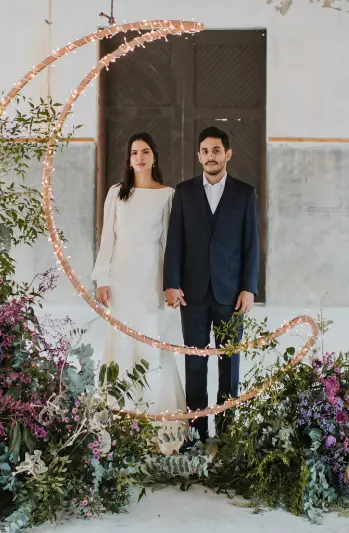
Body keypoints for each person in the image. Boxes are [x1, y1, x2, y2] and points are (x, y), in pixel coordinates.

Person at [163, 126, 260, 447]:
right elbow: (174, 241)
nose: (210, 156)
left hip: (231, 293)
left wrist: (249, 288)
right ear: (199, 156)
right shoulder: (185, 192)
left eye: (216, 150)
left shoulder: (245, 193)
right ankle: (197, 429)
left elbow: (252, 245)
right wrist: (171, 284)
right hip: (192, 293)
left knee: (229, 362)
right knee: (195, 360)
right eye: (205, 151)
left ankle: (228, 431)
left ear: (228, 154)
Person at [91, 132, 186, 449]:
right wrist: (102, 277)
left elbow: (169, 244)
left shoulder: (167, 195)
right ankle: (119, 422)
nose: (140, 157)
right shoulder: (117, 193)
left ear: (154, 156)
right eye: (134, 152)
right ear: (128, 159)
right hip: (121, 279)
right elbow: (107, 238)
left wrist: (171, 283)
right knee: (120, 342)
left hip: (151, 280)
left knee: (150, 342)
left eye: (146, 151)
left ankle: (158, 426)